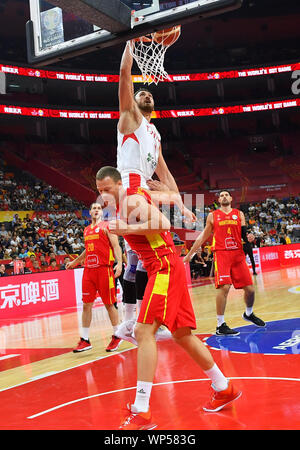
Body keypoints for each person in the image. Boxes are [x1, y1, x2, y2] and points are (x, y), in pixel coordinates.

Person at [96, 167, 241, 430]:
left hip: (162, 265)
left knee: (143, 331)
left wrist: (126, 228)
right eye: (99, 192)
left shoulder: (131, 200)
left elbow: (163, 223)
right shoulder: (132, 196)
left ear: (119, 183)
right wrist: (170, 191)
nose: (104, 195)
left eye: (107, 189)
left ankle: (142, 410)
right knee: (182, 334)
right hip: (164, 266)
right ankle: (224, 388)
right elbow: (172, 196)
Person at [184, 191, 265, 336]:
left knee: (251, 290)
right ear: (218, 200)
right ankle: (220, 325)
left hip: (238, 254)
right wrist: (190, 254)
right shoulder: (213, 216)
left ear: (231, 198)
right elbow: (203, 236)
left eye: (227, 194)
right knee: (224, 287)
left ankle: (248, 314)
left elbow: (244, 236)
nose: (224, 196)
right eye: (221, 195)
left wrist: (250, 237)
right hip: (222, 253)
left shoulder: (239, 214)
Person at [66, 202, 123, 353]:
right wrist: (75, 262)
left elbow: (116, 246)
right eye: (94, 208)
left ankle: (117, 335)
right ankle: (85, 340)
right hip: (89, 271)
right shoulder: (86, 230)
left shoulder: (107, 227)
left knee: (110, 304)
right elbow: (87, 250)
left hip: (104, 270)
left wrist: (120, 263)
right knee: (86, 305)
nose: (96, 210)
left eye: (99, 208)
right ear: (89, 212)